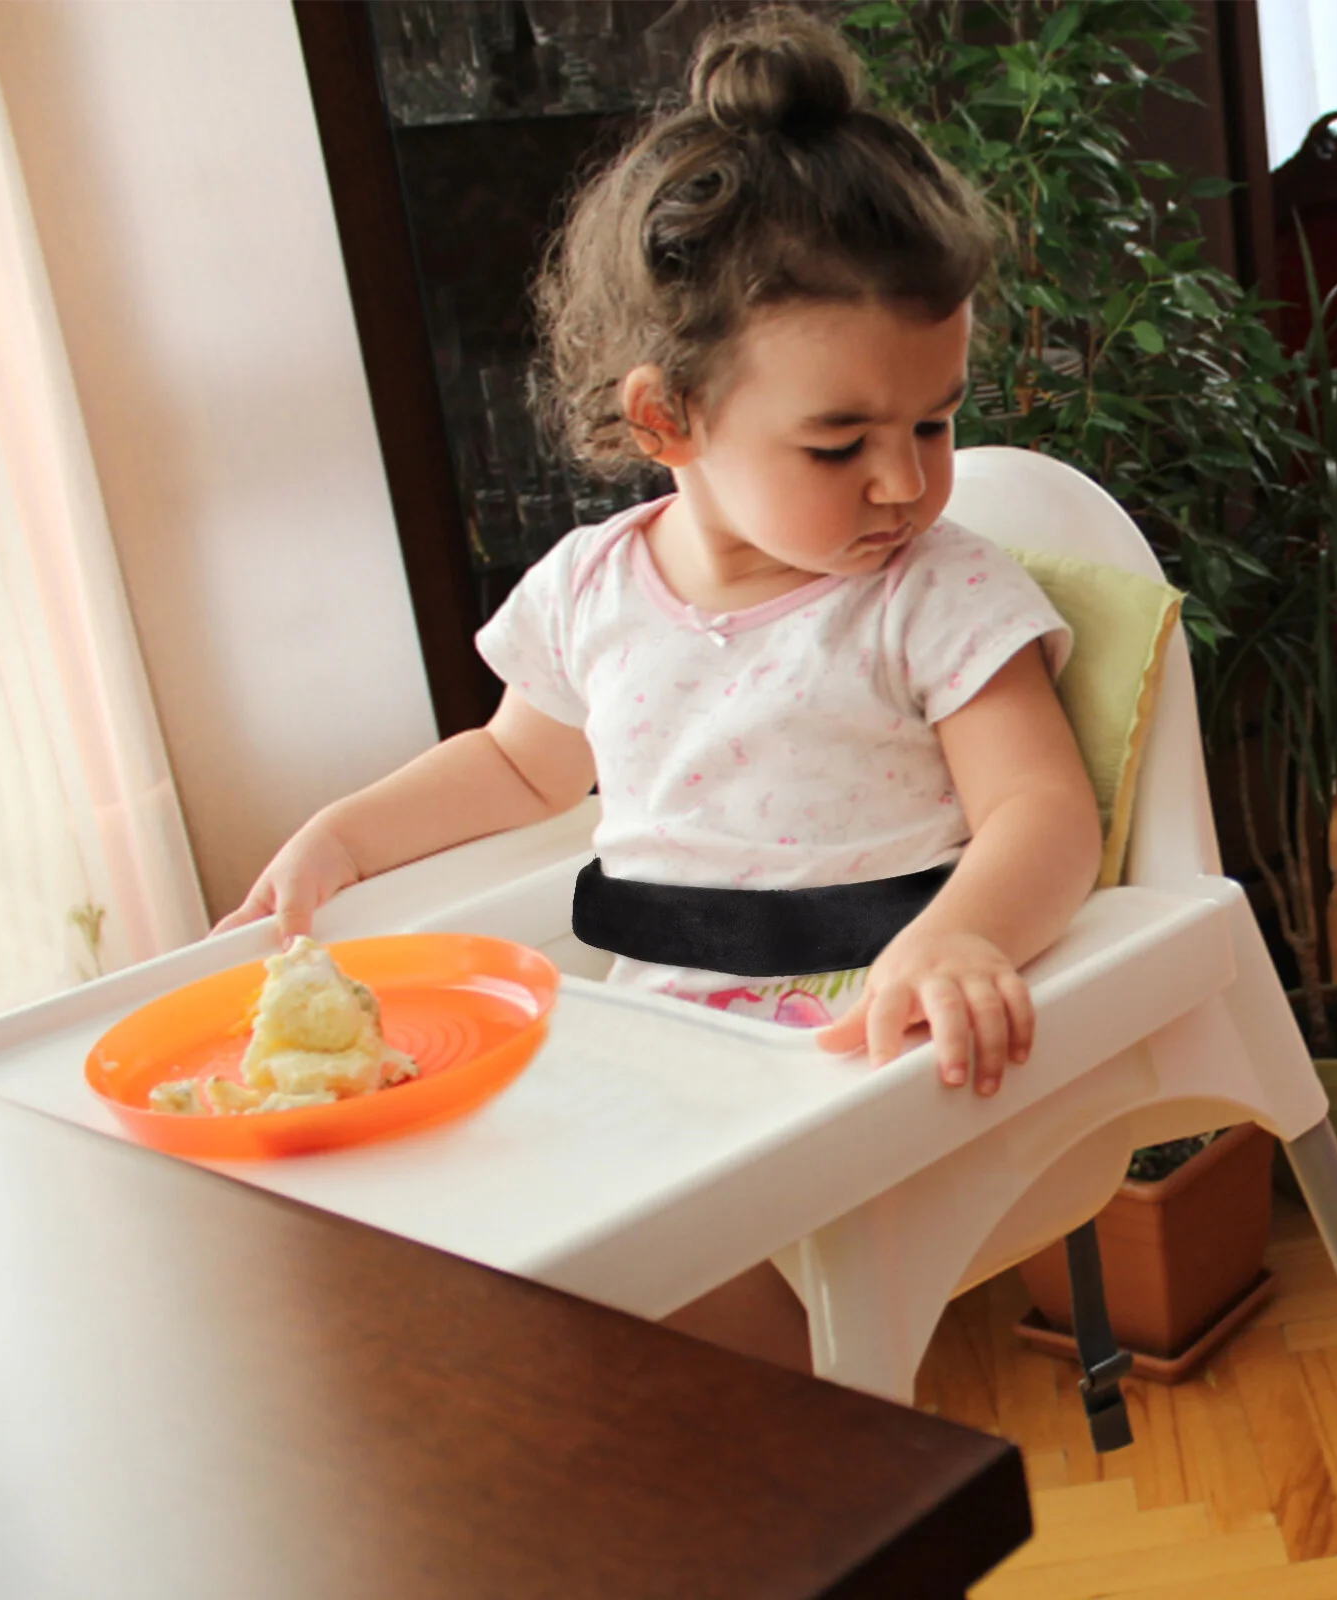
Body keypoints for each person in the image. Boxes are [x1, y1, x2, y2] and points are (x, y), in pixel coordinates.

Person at [218, 6, 1101, 1366]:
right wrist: (345, 835)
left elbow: (1042, 810)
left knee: (651, 1295)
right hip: (657, 1045)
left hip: (857, 1031)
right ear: (665, 419)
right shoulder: (591, 588)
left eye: (935, 421)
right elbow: (517, 764)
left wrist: (963, 938)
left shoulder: (935, 593)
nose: (906, 480)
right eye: (839, 443)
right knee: (453, 1242)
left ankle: (775, 1449)